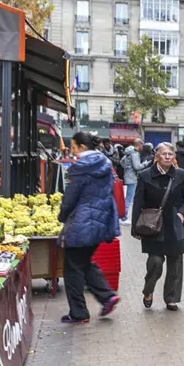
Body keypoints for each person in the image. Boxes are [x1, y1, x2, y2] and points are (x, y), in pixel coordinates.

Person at [57, 131, 121, 324]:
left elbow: (71, 197)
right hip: (101, 221)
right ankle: (107, 296)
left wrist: (62, 215)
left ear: (82, 148)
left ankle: (79, 313)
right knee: (83, 261)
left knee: (72, 267)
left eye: (74, 148)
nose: (73, 152)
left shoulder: (80, 167)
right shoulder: (105, 163)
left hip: (82, 221)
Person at [130, 142, 184, 311]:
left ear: (174, 157)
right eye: (164, 154)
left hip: (174, 224)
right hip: (152, 225)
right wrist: (135, 227)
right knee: (155, 262)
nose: (167, 157)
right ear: (157, 156)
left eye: (170, 154)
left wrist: (182, 214)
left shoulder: (181, 174)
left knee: (175, 263)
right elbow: (138, 202)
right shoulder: (145, 175)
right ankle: (148, 290)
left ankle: (171, 298)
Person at [121, 139, 152, 225]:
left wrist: (127, 168)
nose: (143, 147)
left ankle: (123, 216)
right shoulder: (134, 153)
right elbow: (137, 167)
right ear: (139, 144)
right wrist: (146, 163)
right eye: (142, 145)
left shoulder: (128, 152)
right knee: (129, 199)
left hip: (127, 176)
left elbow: (121, 162)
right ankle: (124, 218)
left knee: (128, 198)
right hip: (132, 178)